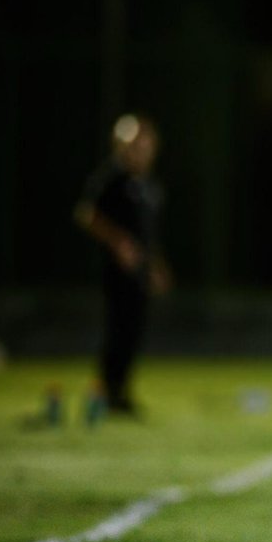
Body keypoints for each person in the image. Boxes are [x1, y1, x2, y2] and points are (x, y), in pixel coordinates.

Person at [74, 113, 171, 417]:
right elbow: (88, 215)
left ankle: (121, 391)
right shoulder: (112, 178)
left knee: (133, 330)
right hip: (116, 271)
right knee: (117, 329)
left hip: (140, 271)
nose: (140, 152)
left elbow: (147, 234)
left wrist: (156, 266)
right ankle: (106, 391)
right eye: (134, 146)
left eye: (145, 146)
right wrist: (118, 244)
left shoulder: (148, 185)